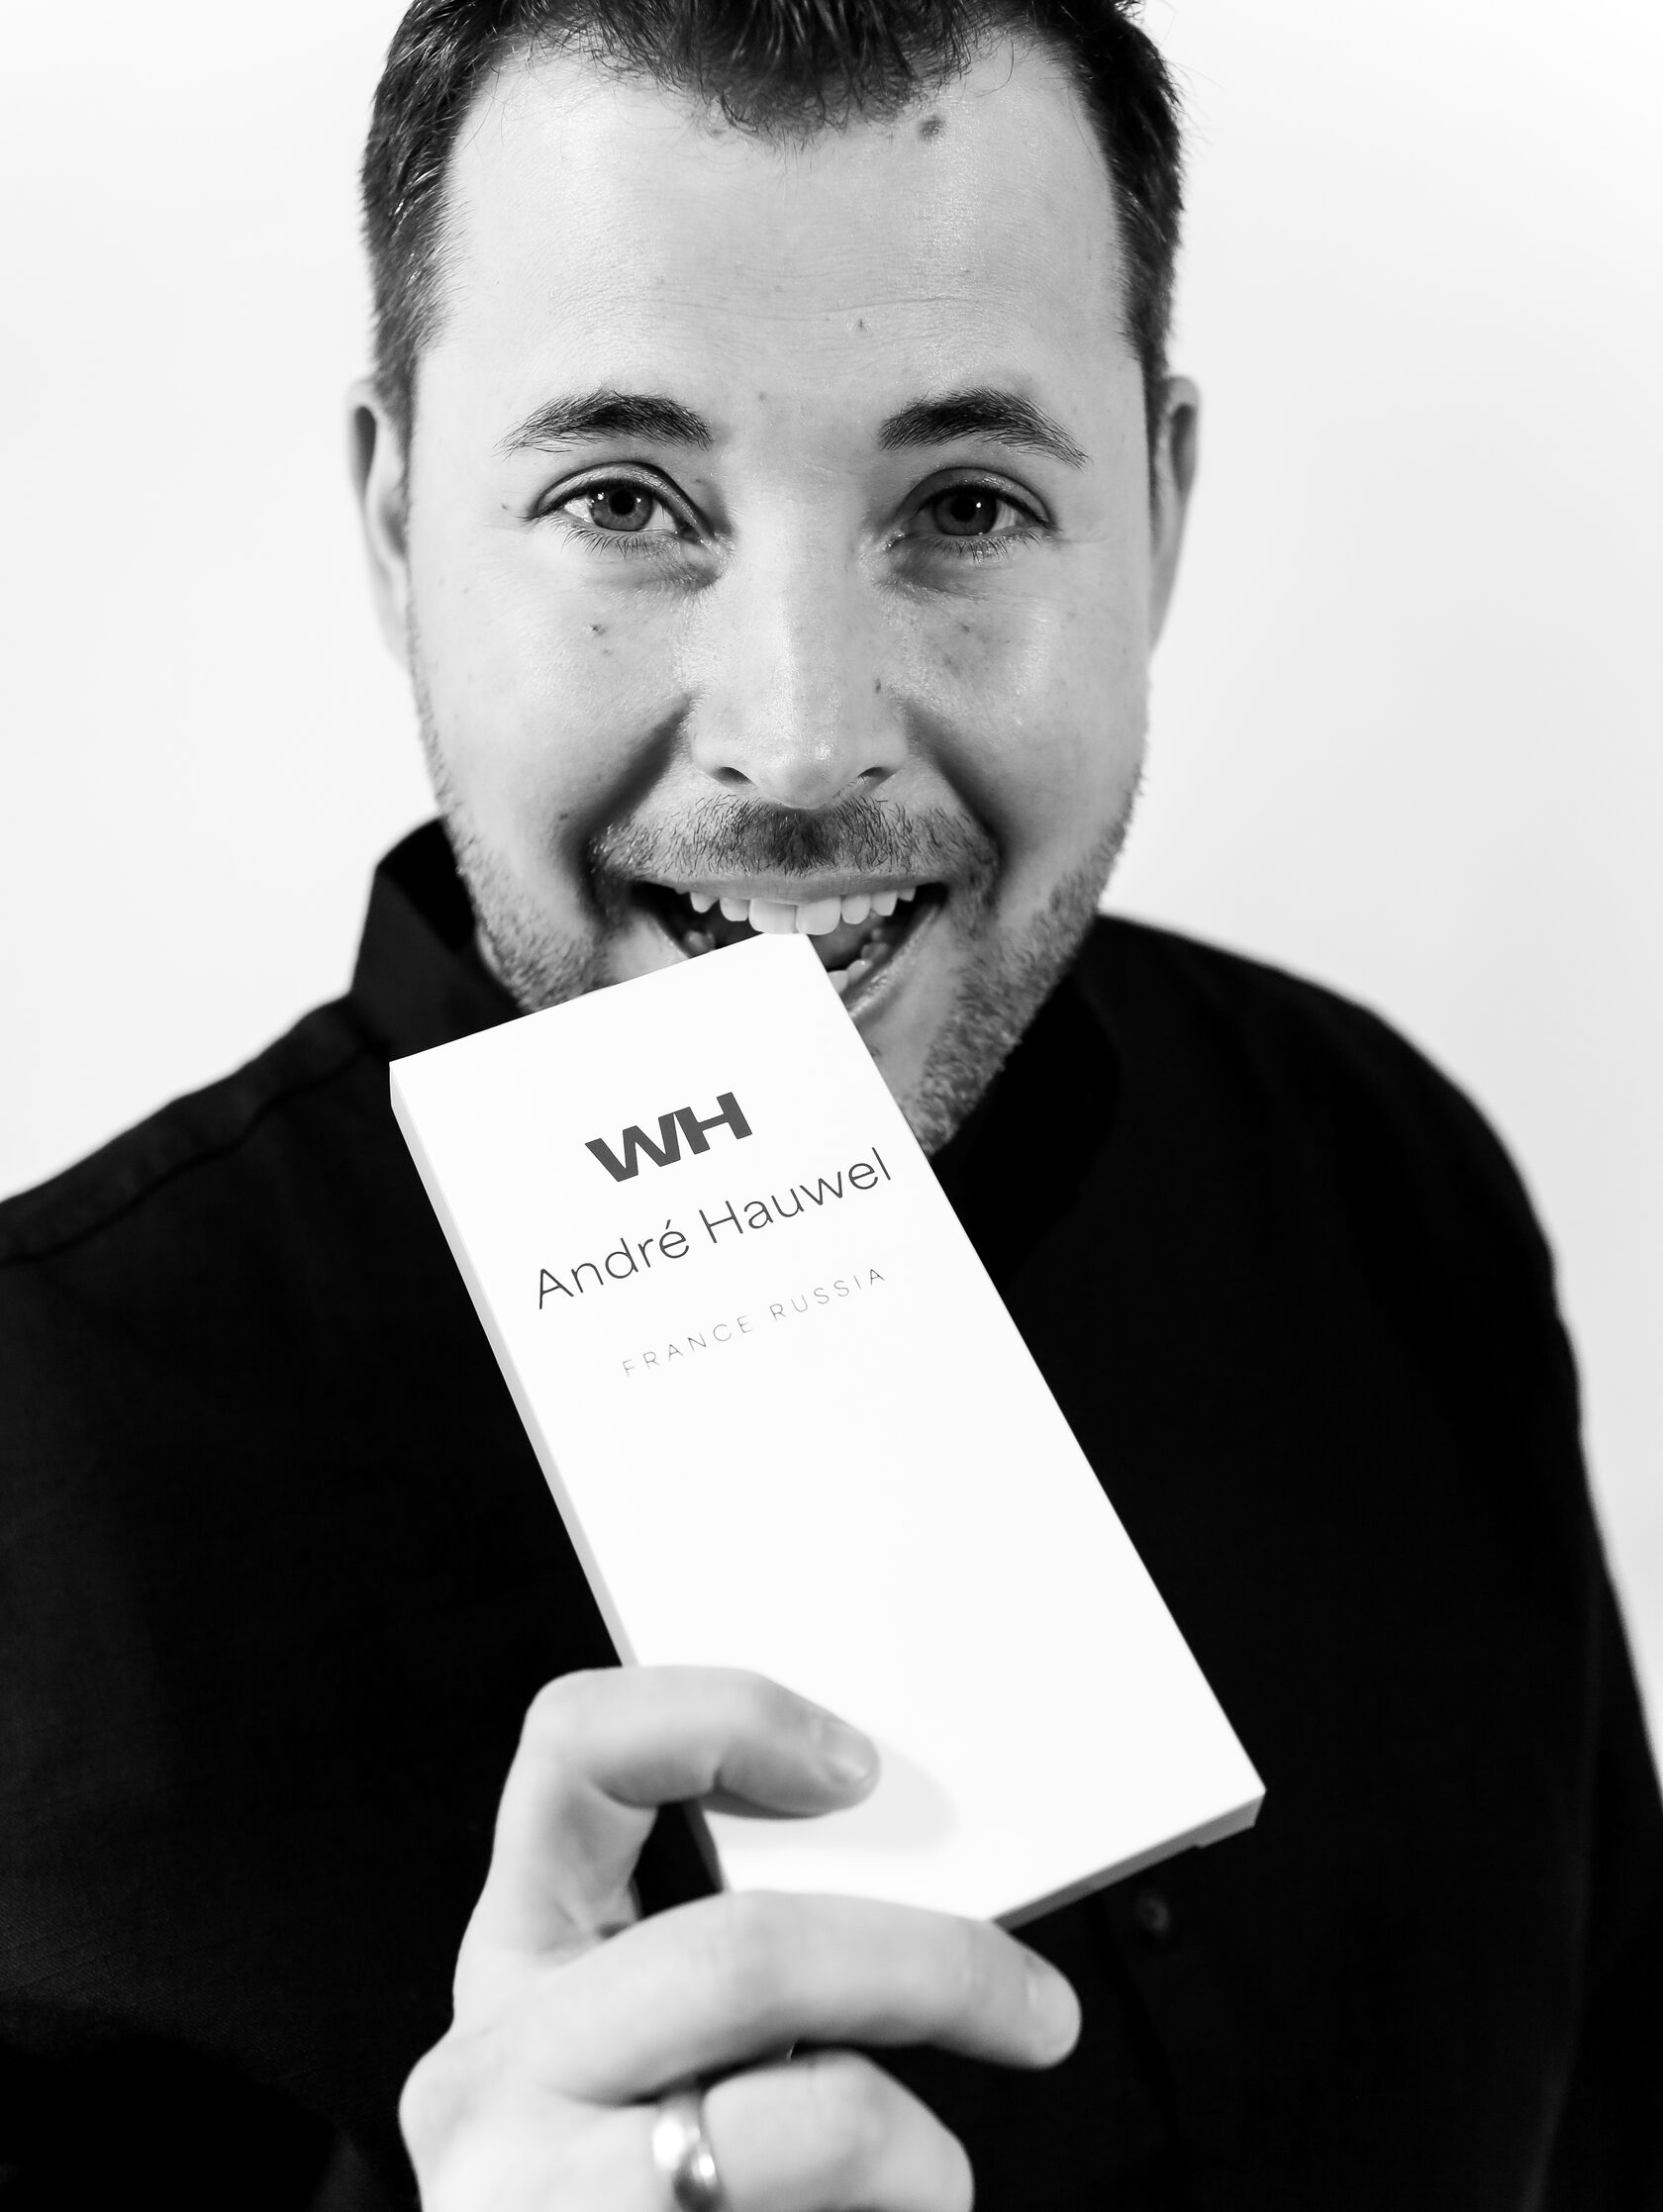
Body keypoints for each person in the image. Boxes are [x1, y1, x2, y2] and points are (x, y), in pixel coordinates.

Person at [1, 1, 1659, 2206]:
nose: (798, 740)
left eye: (965, 504)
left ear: (1160, 513)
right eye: (621, 500)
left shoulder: (1392, 1180)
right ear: (398, 523)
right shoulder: (36, 1467)